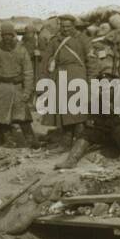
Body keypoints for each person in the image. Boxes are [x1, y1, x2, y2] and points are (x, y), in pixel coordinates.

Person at [39, 14, 90, 153]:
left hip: (78, 75)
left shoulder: (82, 39)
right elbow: (45, 60)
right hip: (61, 75)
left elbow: (91, 60)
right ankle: (66, 143)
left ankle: (80, 143)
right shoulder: (55, 41)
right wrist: (44, 78)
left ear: (73, 26)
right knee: (64, 110)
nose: (66, 29)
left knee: (78, 110)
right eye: (63, 26)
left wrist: (91, 80)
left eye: (68, 26)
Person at [0, 22, 35, 149]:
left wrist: (27, 91)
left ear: (13, 35)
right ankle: (8, 141)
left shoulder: (22, 51)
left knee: (24, 116)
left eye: (9, 35)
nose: (7, 38)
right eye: (4, 35)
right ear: (1, 36)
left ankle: (31, 140)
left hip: (17, 87)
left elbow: (28, 73)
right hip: (0, 88)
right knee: (2, 117)